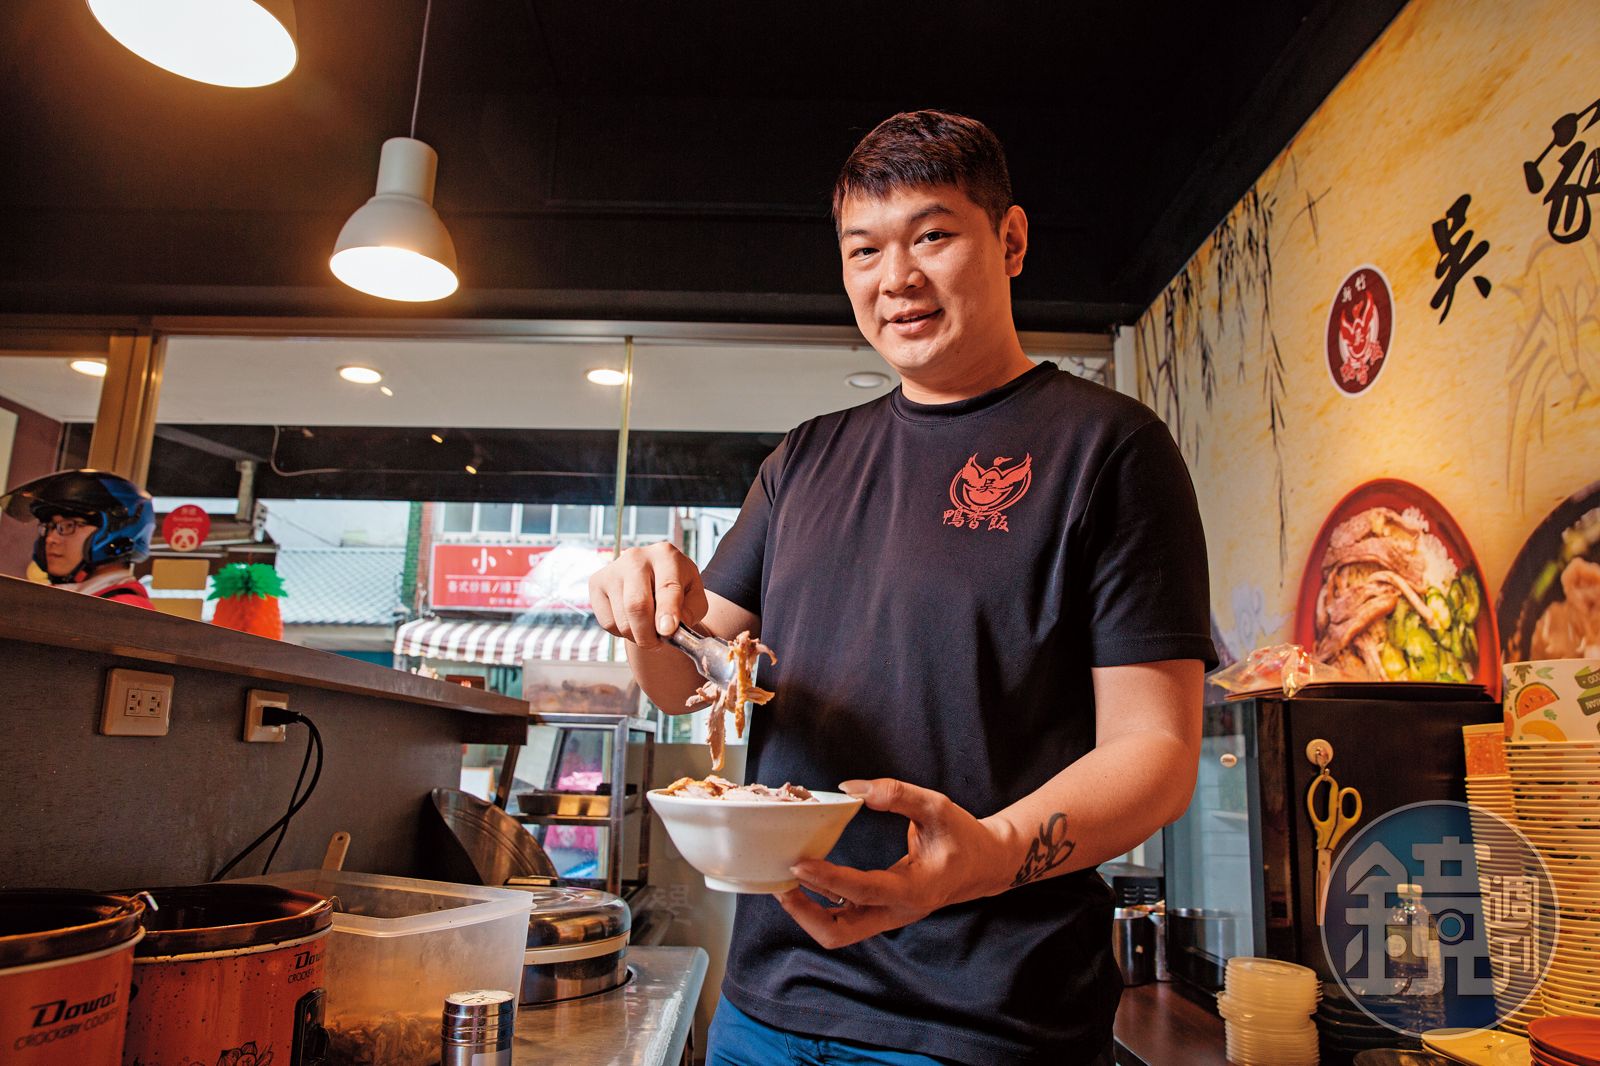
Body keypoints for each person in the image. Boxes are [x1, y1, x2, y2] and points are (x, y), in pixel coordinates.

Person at [590, 111, 1216, 1065]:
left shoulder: (1109, 449)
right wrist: (647, 614)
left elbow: (1157, 750)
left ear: (1010, 241)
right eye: (864, 249)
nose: (896, 279)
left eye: (931, 235)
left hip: (991, 1022)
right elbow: (692, 679)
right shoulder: (804, 461)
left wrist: (986, 857)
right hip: (769, 1008)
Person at [2, 469, 156, 607]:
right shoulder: (74, 601)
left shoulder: (124, 612)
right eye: (49, 527)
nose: (50, 539)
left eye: (69, 525)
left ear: (115, 534)